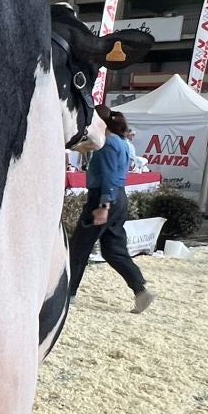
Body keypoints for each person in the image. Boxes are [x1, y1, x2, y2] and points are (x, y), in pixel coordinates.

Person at [68, 110, 155, 311]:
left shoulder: (107, 145)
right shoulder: (120, 143)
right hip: (119, 197)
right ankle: (140, 289)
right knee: (113, 249)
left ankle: (68, 293)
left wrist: (103, 206)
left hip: (103, 198)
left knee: (79, 247)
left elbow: (108, 175)